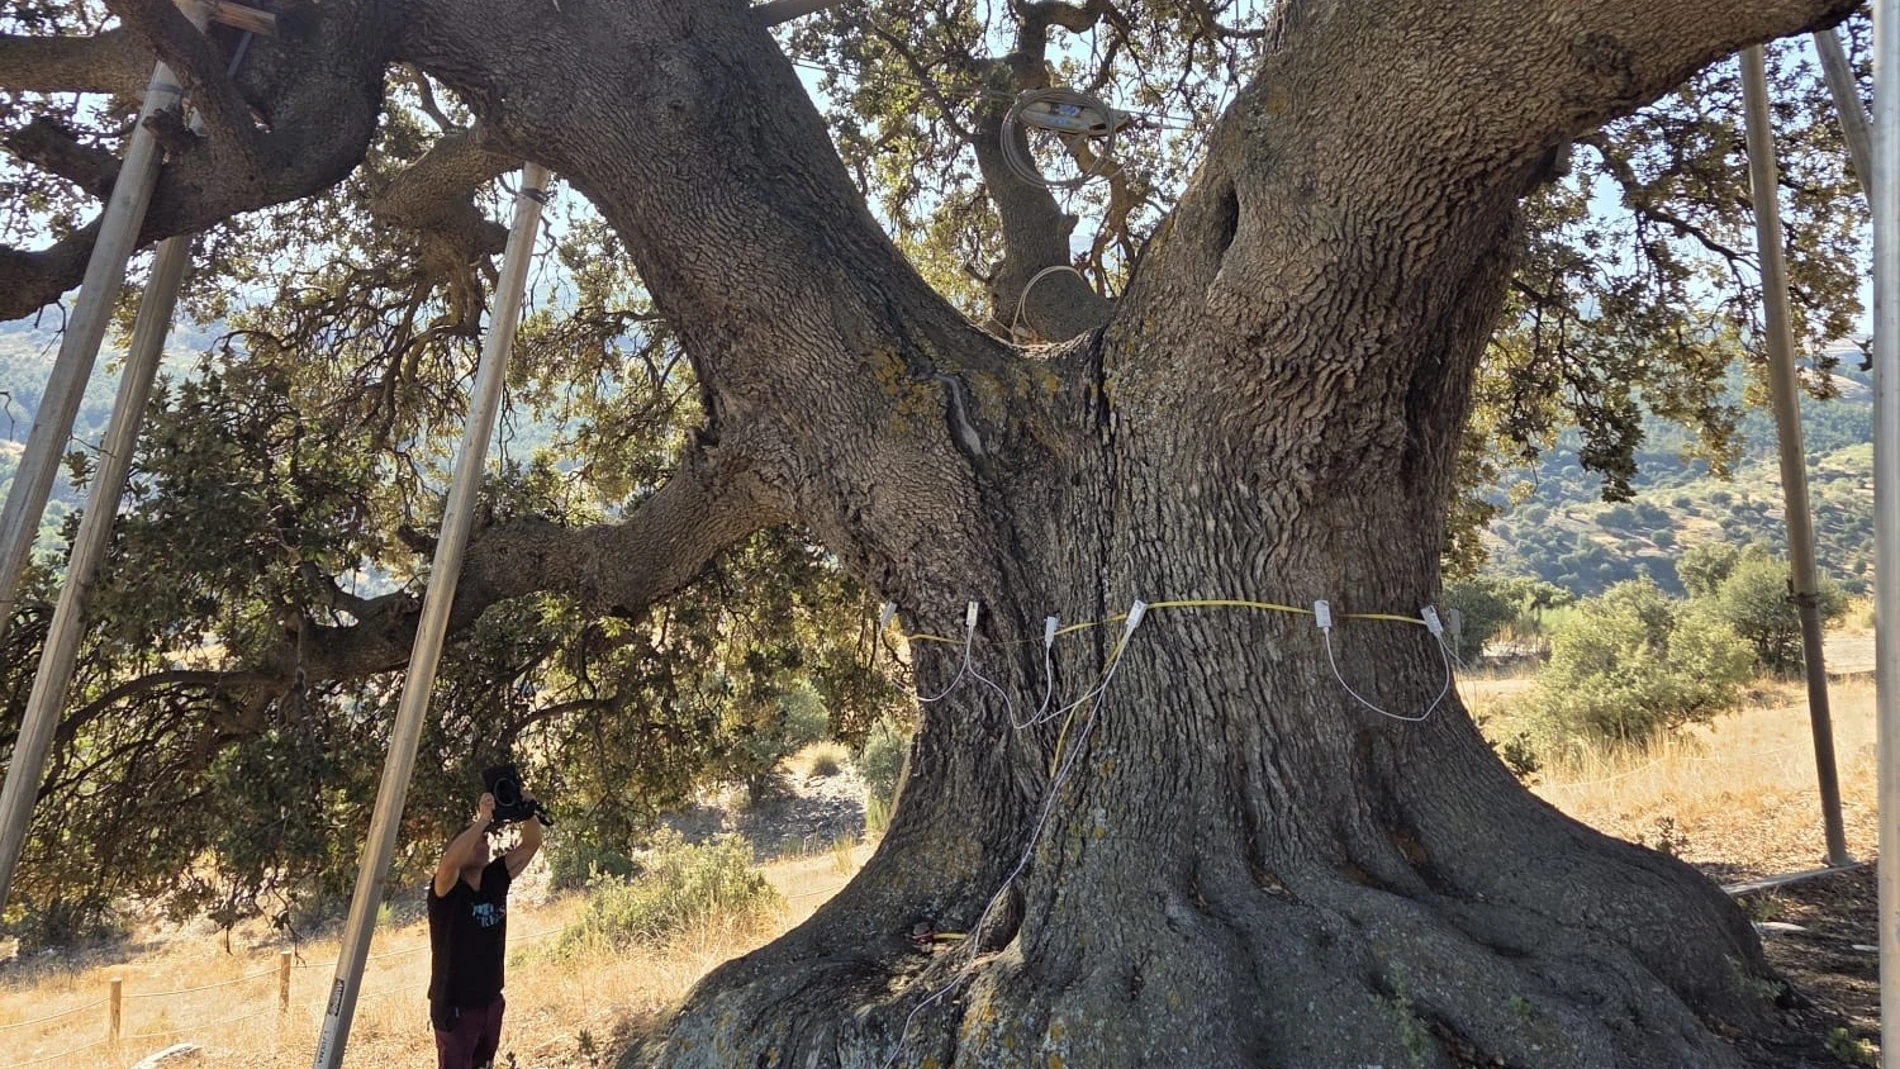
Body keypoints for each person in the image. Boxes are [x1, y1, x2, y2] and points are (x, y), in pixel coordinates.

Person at [428, 789, 544, 1069]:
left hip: (491, 1000)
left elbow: (531, 844)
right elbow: (449, 864)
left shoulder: (495, 878)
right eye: (477, 841)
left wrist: (526, 811)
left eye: (485, 840)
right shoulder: (446, 889)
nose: (484, 844)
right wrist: (481, 822)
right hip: (456, 1007)